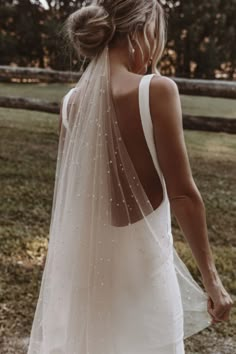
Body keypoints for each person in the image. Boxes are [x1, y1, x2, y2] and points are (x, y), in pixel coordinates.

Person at [27, 1, 233, 353]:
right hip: (145, 279)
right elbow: (183, 194)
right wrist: (212, 281)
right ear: (144, 30)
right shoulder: (157, 90)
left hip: (87, 282)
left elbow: (71, 200)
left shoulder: (71, 102)